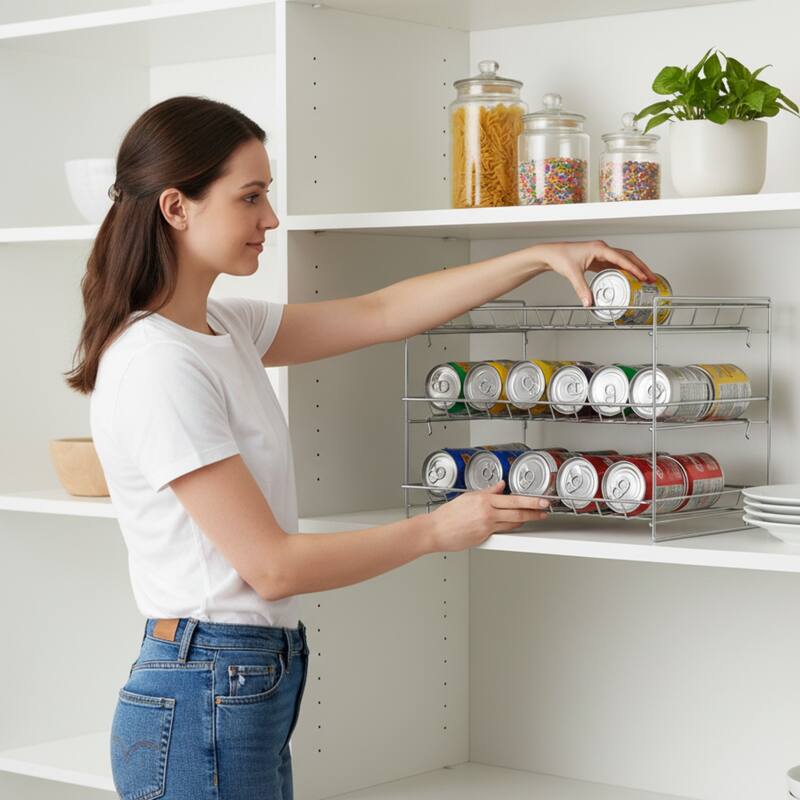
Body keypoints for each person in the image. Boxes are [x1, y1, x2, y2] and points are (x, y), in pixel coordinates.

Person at [65, 96, 655, 800]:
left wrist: (534, 257)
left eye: (269, 195)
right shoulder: (159, 363)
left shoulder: (220, 328)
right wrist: (439, 529)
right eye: (250, 197)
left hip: (238, 678)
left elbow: (381, 313)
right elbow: (273, 567)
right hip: (207, 684)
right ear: (176, 207)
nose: (271, 220)